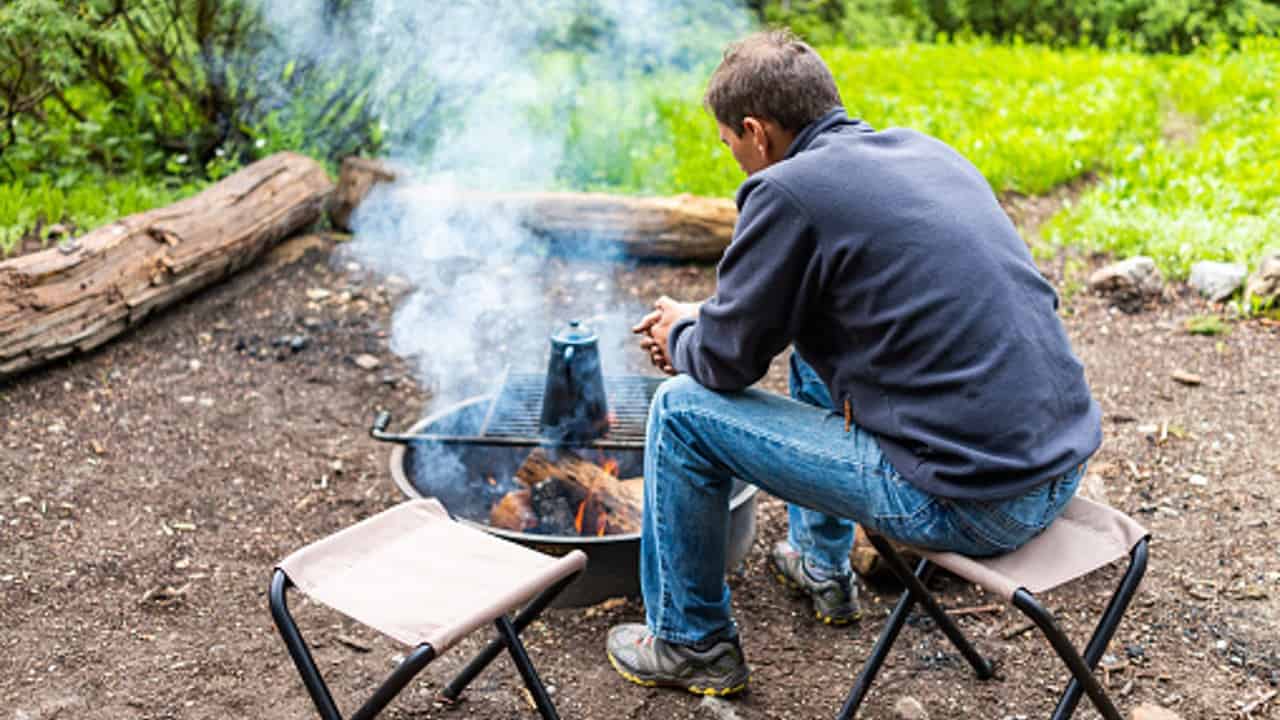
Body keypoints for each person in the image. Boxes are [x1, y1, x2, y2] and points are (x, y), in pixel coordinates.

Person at [605, 29, 1101, 697]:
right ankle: (822, 565)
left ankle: (691, 642)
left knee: (681, 412)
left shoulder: (786, 190)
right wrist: (700, 319)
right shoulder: (924, 153)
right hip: (1058, 466)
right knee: (818, 335)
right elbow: (782, 314)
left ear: (755, 132)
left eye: (729, 147)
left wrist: (682, 339)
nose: (737, 162)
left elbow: (725, 365)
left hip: (968, 500)